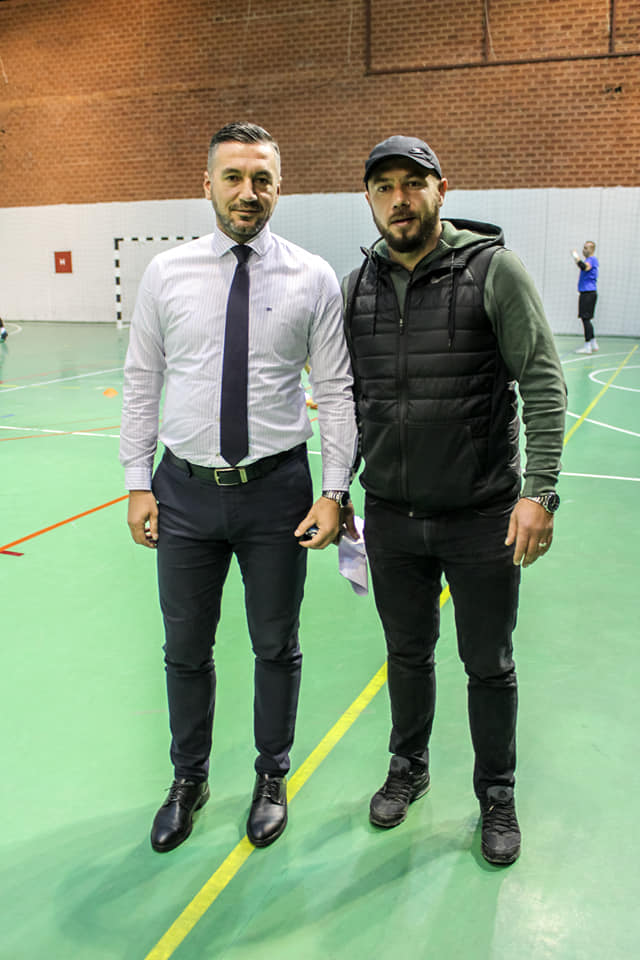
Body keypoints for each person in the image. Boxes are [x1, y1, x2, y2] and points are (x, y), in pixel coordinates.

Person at [120, 121, 357, 853]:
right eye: (233, 177)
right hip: (183, 491)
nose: (247, 192)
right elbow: (142, 380)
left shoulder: (312, 276)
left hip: (277, 493)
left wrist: (333, 490)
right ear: (208, 185)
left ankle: (271, 776)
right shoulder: (167, 273)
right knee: (185, 648)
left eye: (261, 179)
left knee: (275, 644)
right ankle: (187, 778)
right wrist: (136, 482)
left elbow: (336, 391)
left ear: (278, 188)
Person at [342, 135, 567, 866]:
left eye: (413, 183)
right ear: (369, 199)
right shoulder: (356, 286)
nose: (399, 199)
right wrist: (338, 489)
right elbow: (345, 398)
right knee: (406, 655)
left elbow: (543, 381)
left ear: (442, 189)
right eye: (384, 187)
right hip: (392, 518)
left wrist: (540, 491)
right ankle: (408, 766)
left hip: (481, 517)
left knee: (488, 663)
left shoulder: (493, 270)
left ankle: (496, 792)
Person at [571, 241, 599, 354]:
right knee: (586, 319)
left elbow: (584, 267)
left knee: (585, 319)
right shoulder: (589, 260)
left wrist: (575, 257)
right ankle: (593, 343)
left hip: (588, 294)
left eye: (586, 248)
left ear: (592, 250)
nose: (584, 250)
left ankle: (587, 346)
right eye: (583, 248)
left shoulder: (592, 260)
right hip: (586, 293)